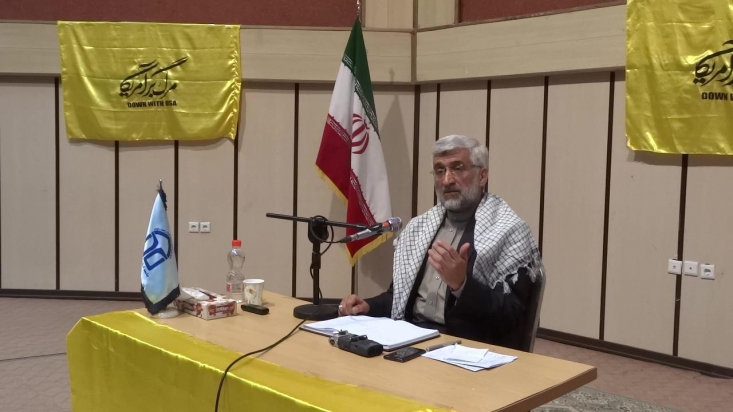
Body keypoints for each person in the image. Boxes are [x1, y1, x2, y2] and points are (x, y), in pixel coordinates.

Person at [339, 134, 544, 350]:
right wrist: (368, 307)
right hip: (409, 338)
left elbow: (515, 317)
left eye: (457, 168)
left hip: (466, 347)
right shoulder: (419, 228)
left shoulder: (509, 231)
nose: (447, 180)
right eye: (439, 170)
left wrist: (463, 285)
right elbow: (399, 298)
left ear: (482, 176)